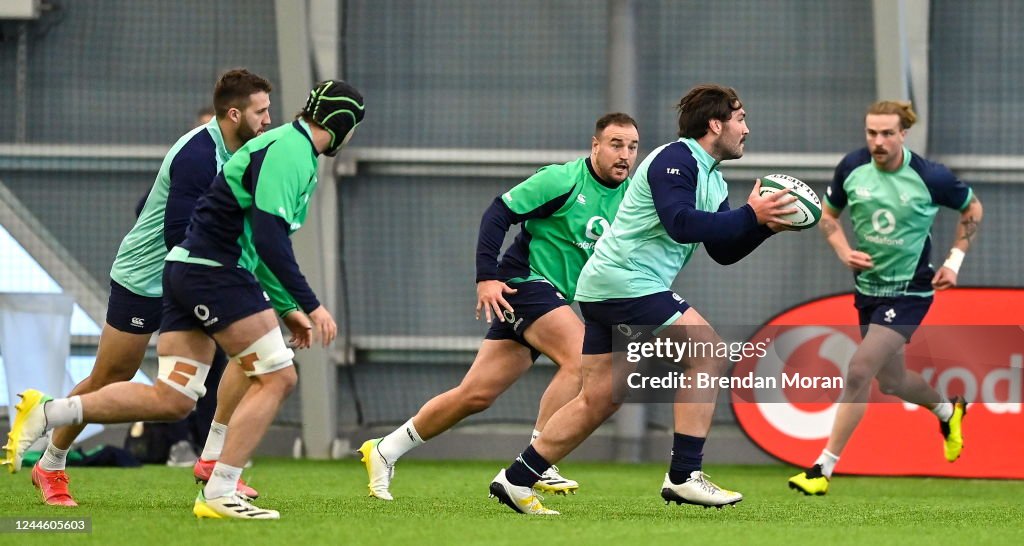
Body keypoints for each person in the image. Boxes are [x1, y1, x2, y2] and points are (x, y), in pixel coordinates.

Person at [4, 78, 365, 520]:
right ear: (235, 114)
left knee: (206, 380)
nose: (269, 118)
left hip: (200, 275)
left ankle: (214, 459)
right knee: (114, 373)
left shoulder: (264, 148)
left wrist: (279, 300)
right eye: (259, 111)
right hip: (150, 276)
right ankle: (53, 462)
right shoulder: (199, 154)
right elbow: (179, 232)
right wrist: (297, 302)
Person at [487, 84, 799, 515]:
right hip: (625, 281)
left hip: (609, 286)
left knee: (600, 398)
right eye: (740, 118)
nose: (746, 129)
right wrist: (750, 215)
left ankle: (516, 479)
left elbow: (722, 251)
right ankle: (684, 475)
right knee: (707, 351)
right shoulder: (677, 158)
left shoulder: (712, 176)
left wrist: (762, 226)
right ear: (715, 124)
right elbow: (680, 224)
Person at [359, 113, 640, 501]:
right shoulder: (563, 179)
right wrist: (485, 277)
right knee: (582, 360)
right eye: (616, 144)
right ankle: (540, 460)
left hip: (551, 299)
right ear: (595, 146)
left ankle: (385, 449)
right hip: (524, 284)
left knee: (475, 395)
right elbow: (498, 212)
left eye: (632, 147)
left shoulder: (630, 198)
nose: (625, 154)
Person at [788, 101, 982, 496]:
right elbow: (829, 216)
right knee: (891, 382)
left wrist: (954, 261)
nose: (878, 141)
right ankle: (948, 410)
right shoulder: (852, 168)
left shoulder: (931, 177)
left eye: (887, 133)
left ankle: (822, 469)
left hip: (910, 291)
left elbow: (972, 209)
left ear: (903, 134)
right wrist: (843, 251)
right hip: (868, 291)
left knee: (859, 370)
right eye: (871, 133)